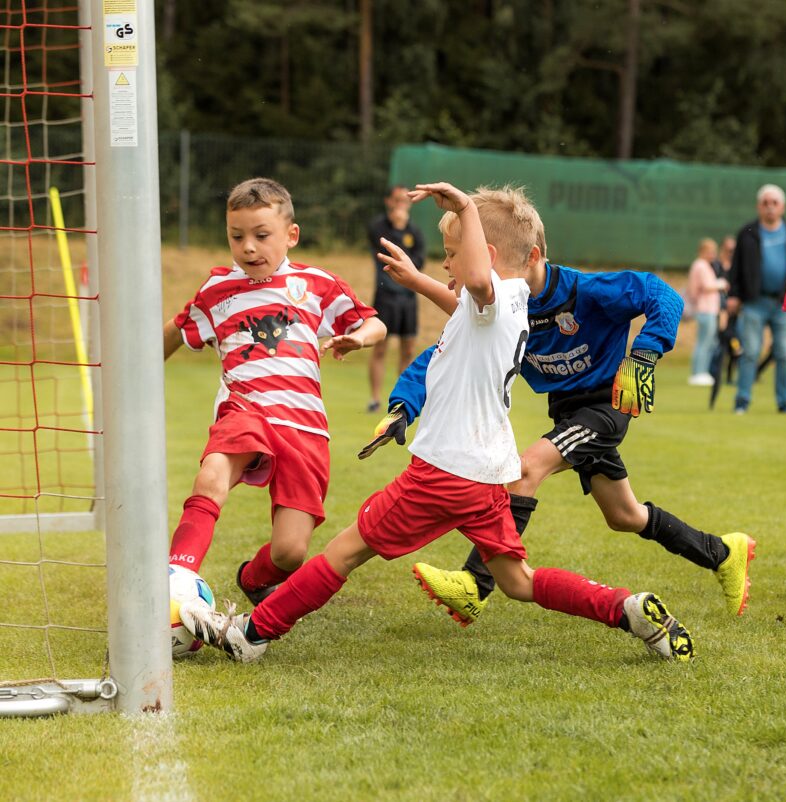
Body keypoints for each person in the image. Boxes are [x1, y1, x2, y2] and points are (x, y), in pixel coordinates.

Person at [180, 183, 696, 663]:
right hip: (486, 474)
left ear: (482, 256)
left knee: (343, 552)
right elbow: (465, 301)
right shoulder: (513, 304)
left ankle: (252, 634)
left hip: (443, 473)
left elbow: (477, 283)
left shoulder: (490, 296)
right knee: (517, 580)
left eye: (451, 253)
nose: (447, 262)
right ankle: (626, 609)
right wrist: (417, 280)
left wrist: (465, 207)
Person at [386, 202, 755, 625]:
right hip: (566, 414)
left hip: (606, 407)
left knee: (525, 469)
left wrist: (644, 354)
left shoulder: (587, 291)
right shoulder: (503, 306)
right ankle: (722, 552)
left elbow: (662, 295)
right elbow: (443, 354)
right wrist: (404, 404)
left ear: (530, 257)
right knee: (625, 516)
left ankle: (475, 583)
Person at [163, 177, 385, 603]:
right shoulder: (216, 291)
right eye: (237, 236)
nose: (248, 247)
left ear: (291, 235)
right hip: (244, 411)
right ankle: (176, 579)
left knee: (290, 552)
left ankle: (253, 578)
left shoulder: (317, 284)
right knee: (211, 477)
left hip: (304, 428)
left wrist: (358, 338)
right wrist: (136, 367)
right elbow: (177, 329)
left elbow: (375, 324)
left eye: (261, 236)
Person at [727, 184, 786, 414]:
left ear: (783, 207)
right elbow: (736, 267)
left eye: (774, 203)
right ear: (758, 206)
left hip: (784, 304)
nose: (770, 207)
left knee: (785, 354)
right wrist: (733, 295)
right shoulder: (747, 233)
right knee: (750, 352)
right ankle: (742, 400)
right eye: (765, 203)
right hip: (754, 302)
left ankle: (784, 402)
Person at [367, 184, 426, 412]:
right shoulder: (378, 227)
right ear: (389, 202)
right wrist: (398, 229)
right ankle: (374, 399)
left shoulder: (416, 231)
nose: (401, 204)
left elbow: (417, 263)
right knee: (380, 348)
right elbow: (385, 255)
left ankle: (401, 400)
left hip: (408, 298)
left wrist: (404, 229)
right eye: (397, 200)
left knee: (408, 350)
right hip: (385, 296)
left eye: (405, 200)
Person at [686, 238, 728, 386]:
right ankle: (699, 372)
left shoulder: (703, 265)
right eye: (710, 252)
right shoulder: (701, 265)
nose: (712, 255)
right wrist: (722, 283)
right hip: (705, 309)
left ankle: (702, 371)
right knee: (704, 342)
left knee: (708, 341)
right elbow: (707, 285)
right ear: (702, 251)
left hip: (709, 309)